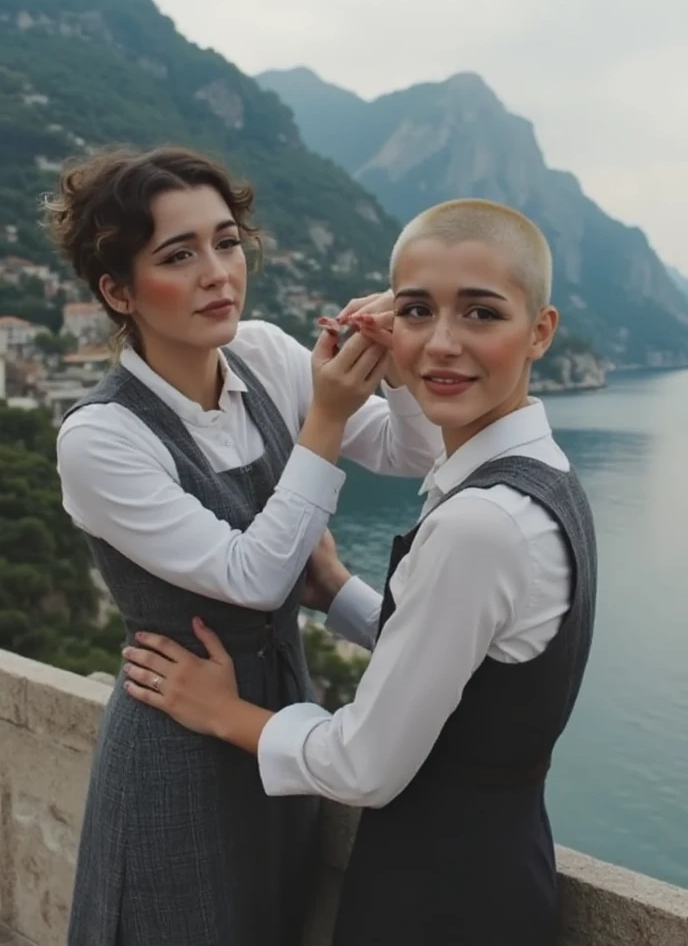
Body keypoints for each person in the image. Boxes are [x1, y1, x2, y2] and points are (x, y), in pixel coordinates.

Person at [123, 198, 598, 946]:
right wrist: (339, 594)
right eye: (417, 311)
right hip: (501, 871)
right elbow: (459, 661)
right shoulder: (542, 476)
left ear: (540, 330)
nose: (443, 344)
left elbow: (363, 765)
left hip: (435, 895)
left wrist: (223, 712)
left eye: (480, 314)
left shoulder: (479, 524)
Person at [50, 145, 443, 946]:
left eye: (226, 242)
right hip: (174, 743)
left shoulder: (262, 352)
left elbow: (415, 455)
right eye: (178, 255)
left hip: (278, 726)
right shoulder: (101, 436)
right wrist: (326, 419)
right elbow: (255, 577)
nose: (217, 273)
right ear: (117, 290)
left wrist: (397, 375)